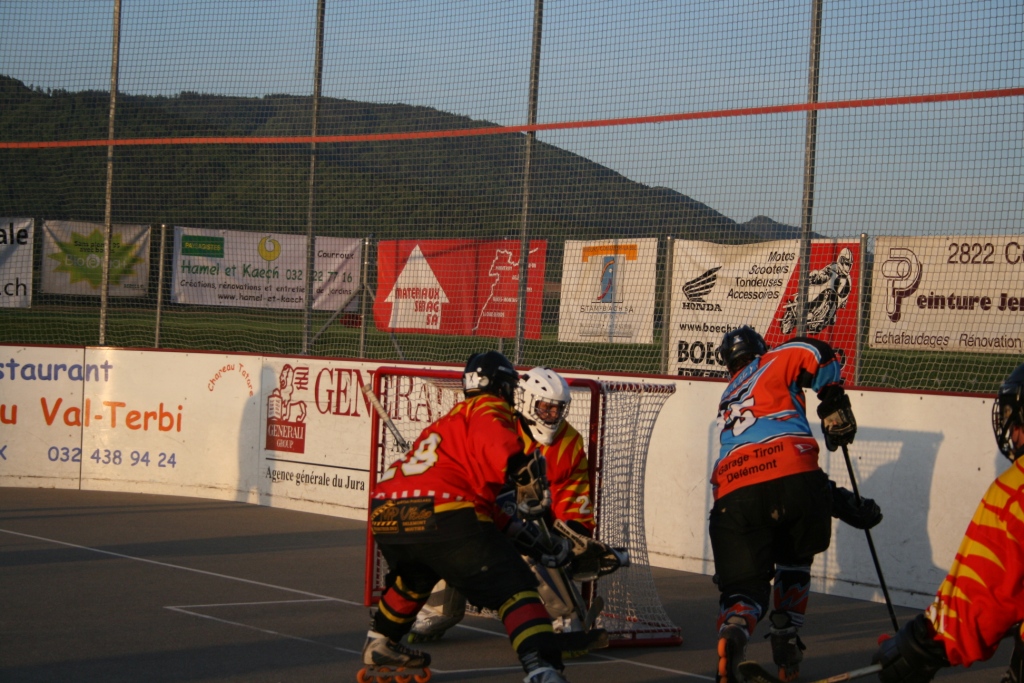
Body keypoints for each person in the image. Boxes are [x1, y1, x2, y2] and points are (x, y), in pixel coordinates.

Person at [364, 351, 573, 683]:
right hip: (444, 511)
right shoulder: (489, 407)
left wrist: (531, 542)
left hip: (387, 510)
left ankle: (381, 642)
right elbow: (497, 446)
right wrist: (522, 472)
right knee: (515, 587)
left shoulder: (446, 423)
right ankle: (542, 668)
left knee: (416, 577)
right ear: (503, 387)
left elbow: (486, 508)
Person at [711, 326, 883, 683]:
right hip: (795, 474)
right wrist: (832, 398)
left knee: (744, 587)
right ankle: (786, 637)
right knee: (795, 560)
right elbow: (815, 350)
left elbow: (758, 475)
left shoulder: (728, 396)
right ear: (760, 349)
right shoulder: (772, 359)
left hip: (734, 487)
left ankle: (737, 626)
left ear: (729, 364)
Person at [409, 367, 617, 655]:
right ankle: (437, 610)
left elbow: (574, 497)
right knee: (451, 534)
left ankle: (565, 619)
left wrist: (575, 537)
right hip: (482, 513)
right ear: (527, 403)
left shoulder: (569, 443)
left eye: (558, 409)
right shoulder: (496, 425)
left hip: (528, 524)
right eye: (545, 408)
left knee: (543, 545)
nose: (553, 415)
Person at [871, 362, 1024, 683]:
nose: (1013, 432)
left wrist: (923, 644)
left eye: (1015, 418)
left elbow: (982, 595)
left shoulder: (1015, 490)